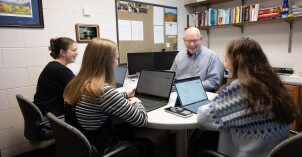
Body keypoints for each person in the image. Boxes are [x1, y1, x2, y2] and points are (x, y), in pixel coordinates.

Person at [197, 38, 298, 157]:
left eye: (225, 60)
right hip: (274, 151)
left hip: (250, 153)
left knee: (200, 138)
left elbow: (203, 118)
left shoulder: (241, 87)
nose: (224, 65)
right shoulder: (273, 81)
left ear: (236, 61)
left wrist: (217, 100)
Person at [63, 38, 153, 156]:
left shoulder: (77, 83)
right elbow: (141, 120)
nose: (118, 62)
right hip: (100, 150)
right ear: (107, 62)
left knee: (126, 130)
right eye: (116, 58)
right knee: (146, 143)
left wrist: (125, 95)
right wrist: (136, 101)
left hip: (83, 146)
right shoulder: (104, 92)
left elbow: (98, 99)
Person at [34, 37, 78, 117]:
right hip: (51, 118)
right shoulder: (60, 70)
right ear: (62, 52)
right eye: (74, 50)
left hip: (44, 112)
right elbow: (81, 88)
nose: (77, 53)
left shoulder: (52, 66)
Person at [170, 27, 222, 92]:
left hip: (199, 94)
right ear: (184, 40)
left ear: (201, 39)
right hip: (178, 93)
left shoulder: (211, 56)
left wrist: (190, 86)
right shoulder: (179, 55)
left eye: (195, 40)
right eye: (189, 41)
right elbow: (171, 77)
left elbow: (214, 83)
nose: (192, 44)